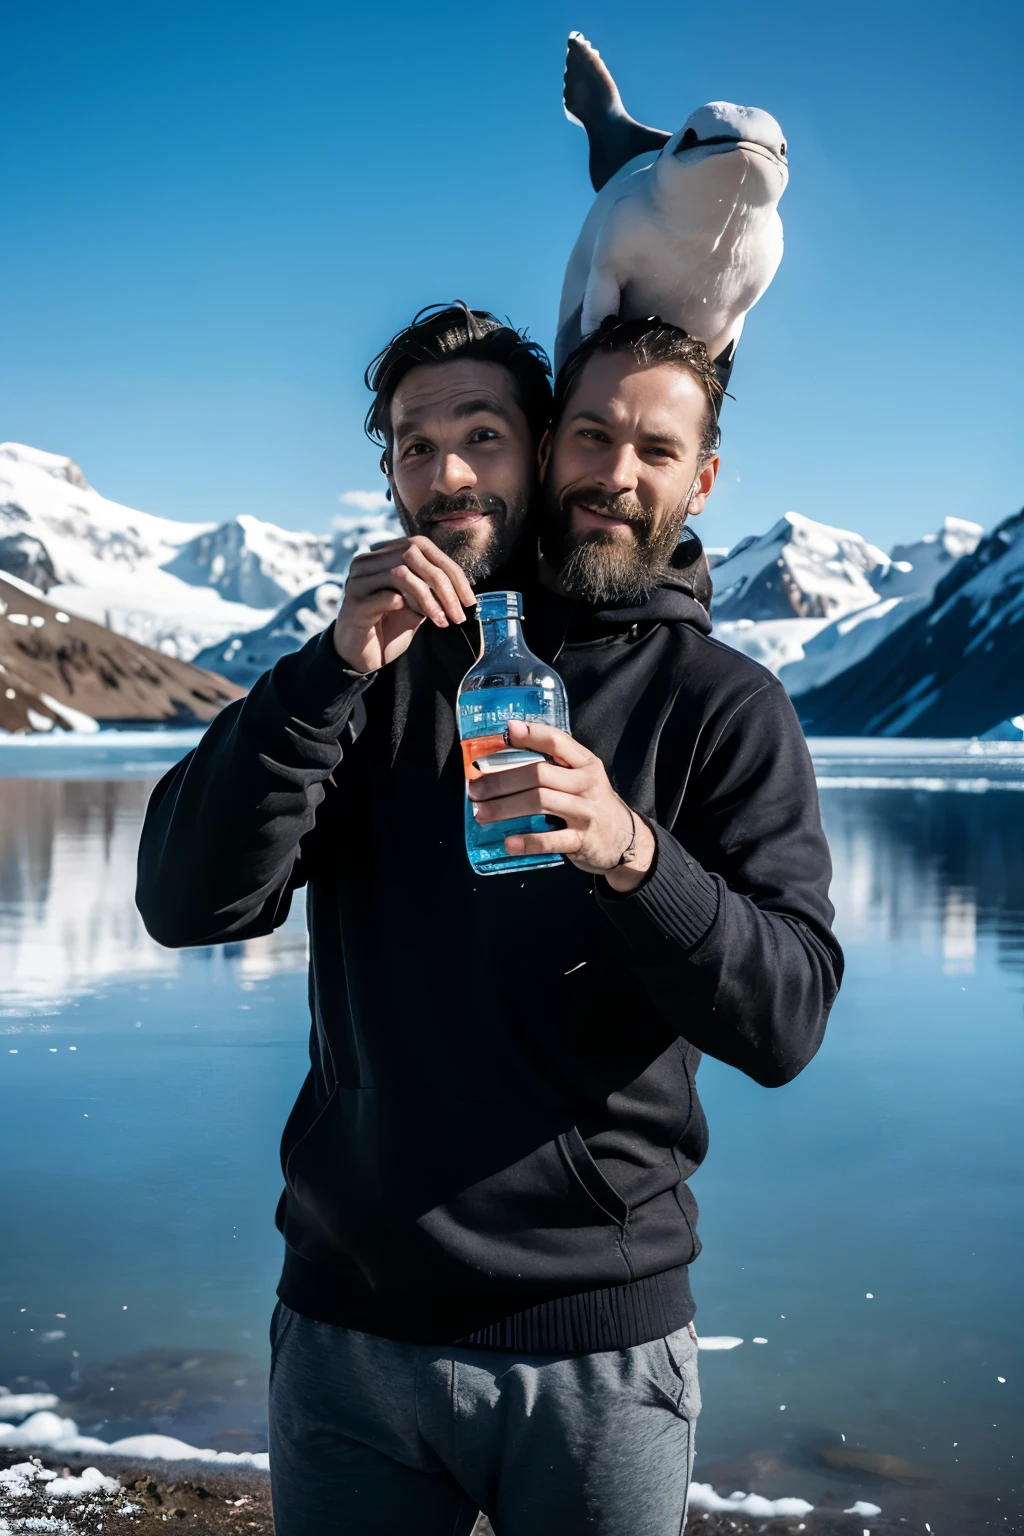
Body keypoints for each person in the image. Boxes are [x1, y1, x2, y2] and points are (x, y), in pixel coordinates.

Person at [136, 305, 843, 1536]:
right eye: (418, 446)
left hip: (597, 1347)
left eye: (481, 435)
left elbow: (785, 1021)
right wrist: (327, 673)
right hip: (347, 1329)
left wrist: (632, 852)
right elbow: (187, 902)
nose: (450, 470)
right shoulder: (366, 674)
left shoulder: (722, 707)